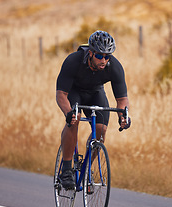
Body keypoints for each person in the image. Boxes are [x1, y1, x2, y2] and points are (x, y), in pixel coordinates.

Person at [56, 30, 131, 189]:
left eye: (107, 56)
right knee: (74, 120)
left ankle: (87, 166)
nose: (103, 60)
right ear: (90, 53)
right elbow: (61, 94)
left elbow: (122, 99)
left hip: (96, 93)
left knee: (101, 130)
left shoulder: (114, 67)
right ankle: (67, 169)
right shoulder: (73, 61)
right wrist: (68, 113)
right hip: (75, 92)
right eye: (99, 56)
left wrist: (123, 115)